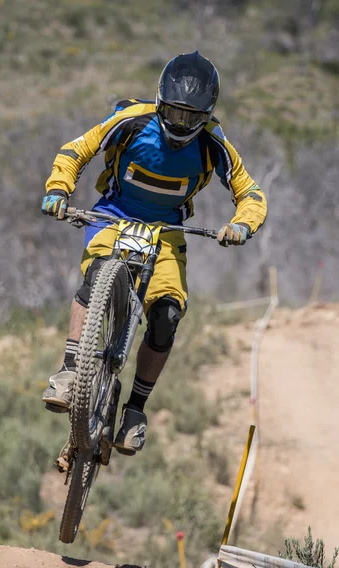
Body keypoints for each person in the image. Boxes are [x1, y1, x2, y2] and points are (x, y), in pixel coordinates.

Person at [41, 51, 267, 454]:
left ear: (208, 115)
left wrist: (241, 224)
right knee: (96, 279)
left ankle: (134, 412)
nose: (180, 124)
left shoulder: (215, 144)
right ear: (160, 102)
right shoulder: (131, 121)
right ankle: (70, 372)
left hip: (167, 232)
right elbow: (75, 150)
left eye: (191, 118)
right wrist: (59, 189)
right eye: (174, 113)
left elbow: (249, 192)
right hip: (112, 217)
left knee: (166, 315)